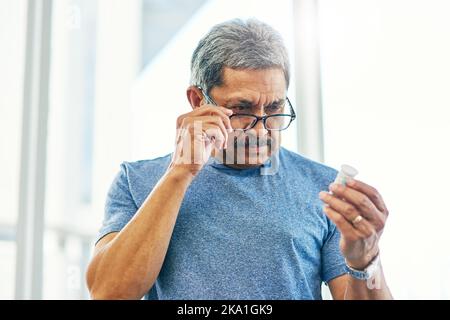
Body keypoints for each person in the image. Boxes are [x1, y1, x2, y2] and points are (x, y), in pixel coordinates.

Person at [86, 18, 392, 300]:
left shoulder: (325, 188)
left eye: (274, 108)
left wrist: (366, 262)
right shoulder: (136, 181)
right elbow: (107, 292)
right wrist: (179, 174)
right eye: (242, 109)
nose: (261, 129)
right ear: (197, 101)